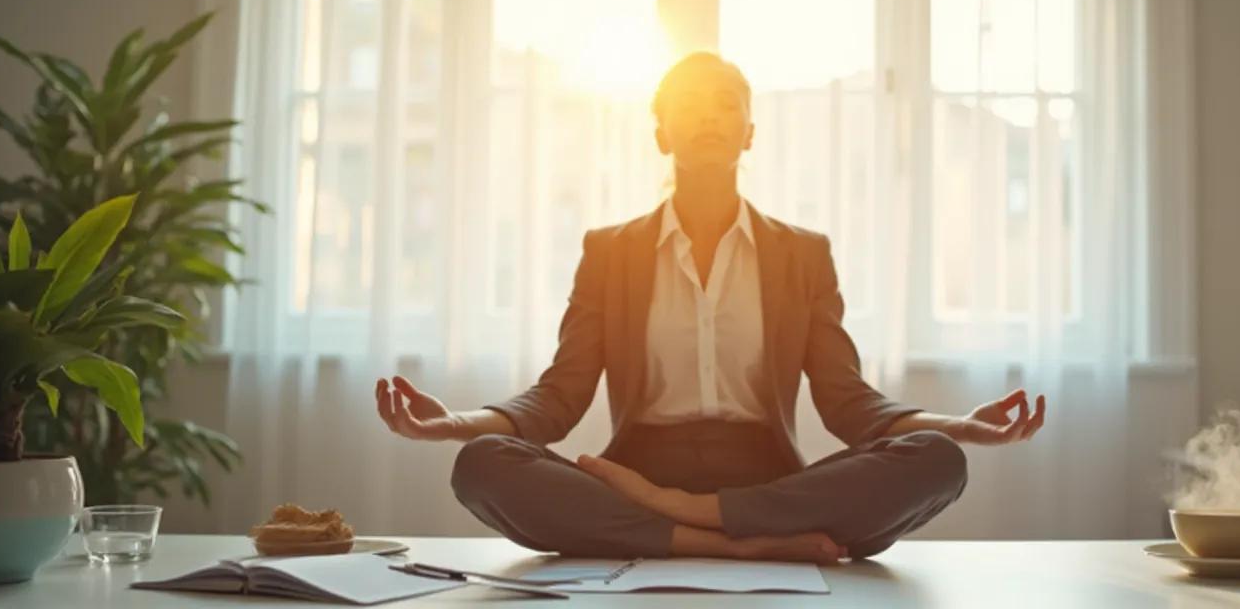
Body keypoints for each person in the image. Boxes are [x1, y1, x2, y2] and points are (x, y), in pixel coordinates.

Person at [374, 52, 1047, 564]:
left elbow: (848, 402)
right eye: (689, 105)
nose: (708, 117)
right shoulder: (609, 252)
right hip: (632, 478)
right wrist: (454, 424)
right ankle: (725, 542)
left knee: (937, 460)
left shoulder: (802, 254)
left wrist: (960, 425)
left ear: (749, 133)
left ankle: (680, 520)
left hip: (769, 484)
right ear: (661, 132)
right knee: (482, 464)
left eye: (725, 105)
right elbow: (560, 396)